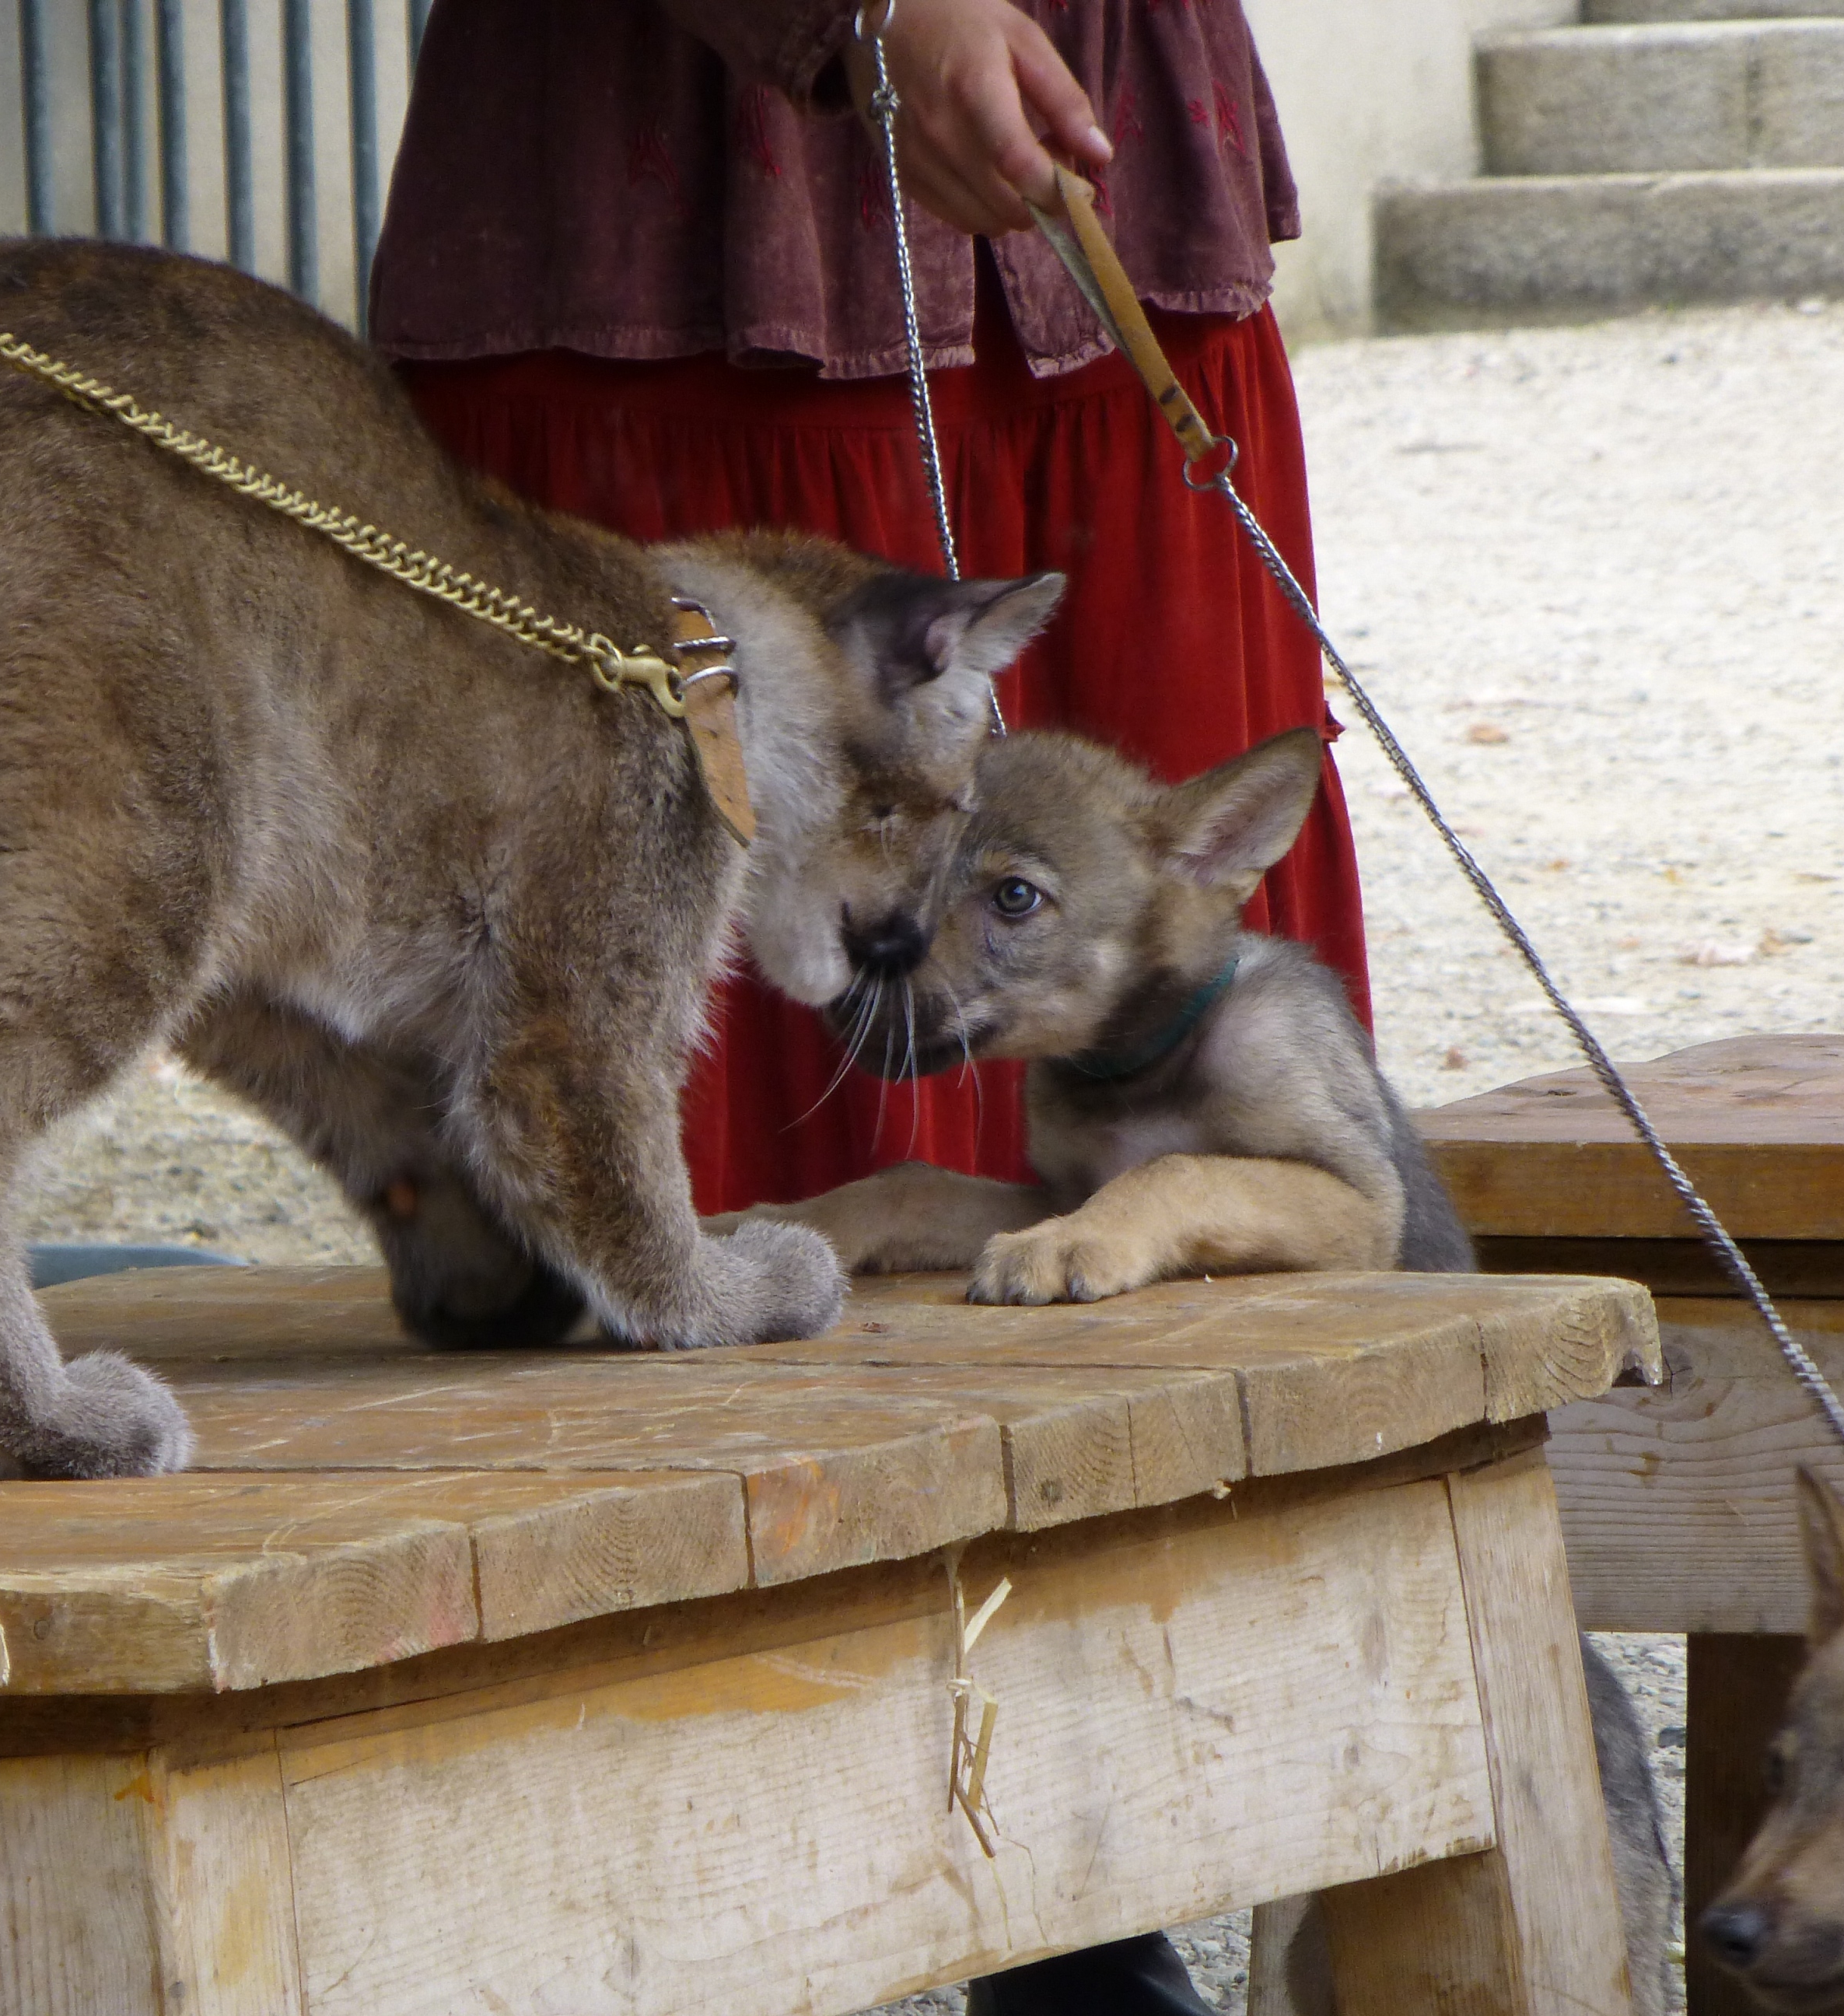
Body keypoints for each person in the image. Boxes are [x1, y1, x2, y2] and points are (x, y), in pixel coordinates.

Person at [372, 4, 1359, 2007]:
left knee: (1179, 1048)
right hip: (677, 211)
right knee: (643, 1111)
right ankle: (643, 1895)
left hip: (1095, 198)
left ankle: (1106, 1852)